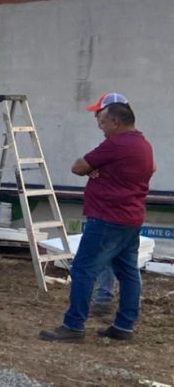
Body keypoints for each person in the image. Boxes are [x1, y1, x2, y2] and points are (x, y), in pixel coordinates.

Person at [39, 100, 154, 342]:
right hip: (131, 218)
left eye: (103, 122)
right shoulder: (143, 144)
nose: (100, 127)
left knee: (82, 269)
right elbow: (150, 168)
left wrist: (94, 169)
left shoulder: (115, 144)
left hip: (107, 217)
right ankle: (124, 326)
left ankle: (73, 325)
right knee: (128, 271)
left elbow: (78, 167)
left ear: (116, 122)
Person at [83, 93, 129, 319]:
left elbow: (79, 166)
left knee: (91, 261)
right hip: (123, 213)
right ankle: (112, 305)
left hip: (108, 211)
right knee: (122, 263)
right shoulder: (126, 142)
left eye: (99, 114)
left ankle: (100, 300)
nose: (96, 119)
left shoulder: (116, 143)